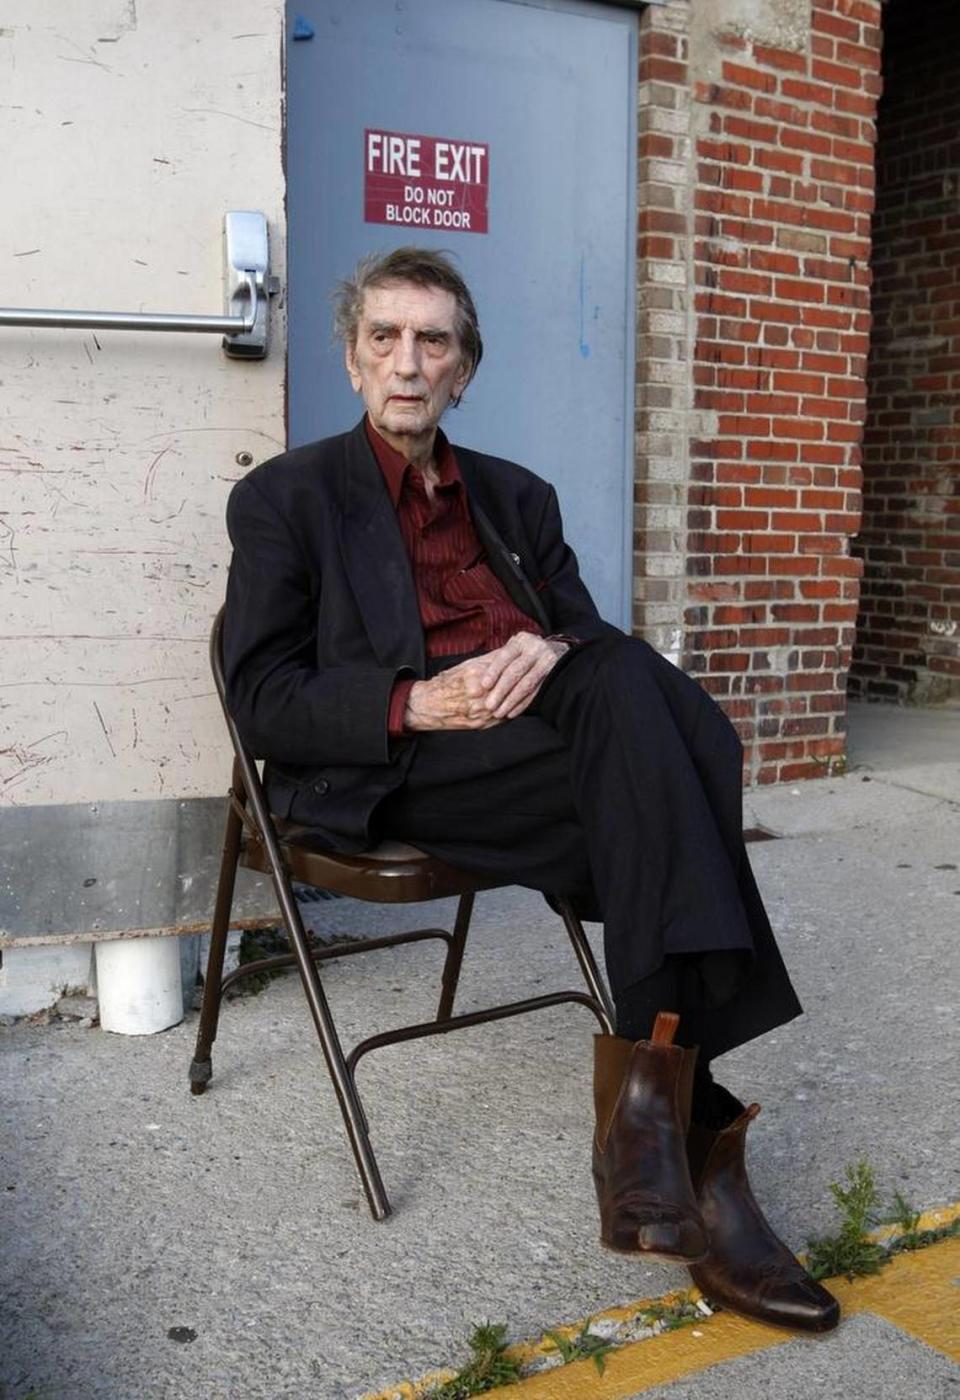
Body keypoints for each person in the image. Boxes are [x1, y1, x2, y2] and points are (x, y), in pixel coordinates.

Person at [223, 246, 839, 1333]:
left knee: (623, 694)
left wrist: (550, 652)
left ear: (466, 368)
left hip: (546, 757)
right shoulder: (288, 498)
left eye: (435, 342)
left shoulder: (516, 494)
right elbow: (262, 693)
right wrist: (415, 700)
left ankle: (658, 1122)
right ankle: (686, 1137)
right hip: (402, 765)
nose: (408, 363)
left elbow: (587, 641)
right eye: (386, 338)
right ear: (352, 355)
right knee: (684, 748)